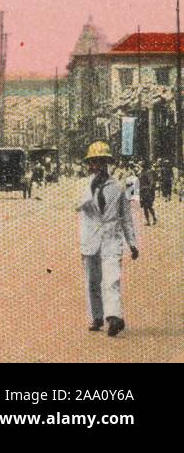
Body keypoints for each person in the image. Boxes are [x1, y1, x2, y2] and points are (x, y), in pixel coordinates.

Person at [78, 141, 139, 337]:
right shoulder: (83, 184)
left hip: (112, 239)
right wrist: (89, 191)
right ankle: (97, 317)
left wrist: (132, 243)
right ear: (89, 165)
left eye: (101, 162)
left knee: (111, 280)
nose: (97, 166)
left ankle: (114, 318)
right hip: (90, 240)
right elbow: (76, 205)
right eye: (94, 162)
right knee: (93, 282)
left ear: (107, 163)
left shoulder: (119, 187)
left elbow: (127, 217)